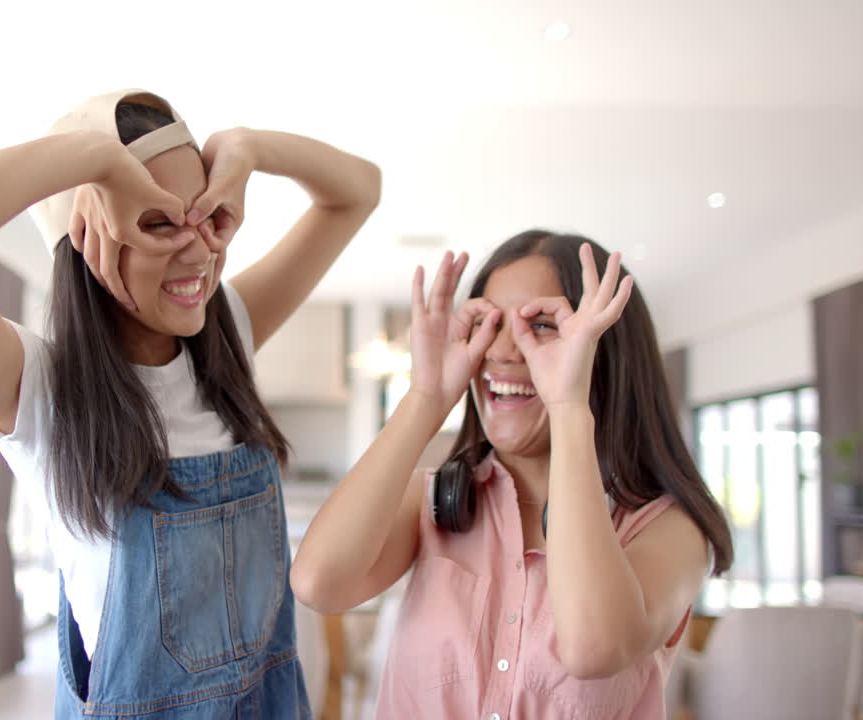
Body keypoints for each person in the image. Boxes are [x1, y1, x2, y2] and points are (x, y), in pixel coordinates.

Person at [0, 88, 380, 718]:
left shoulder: (229, 335)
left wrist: (247, 146)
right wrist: (89, 161)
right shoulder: (39, 391)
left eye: (207, 216)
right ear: (87, 237)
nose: (200, 251)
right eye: (158, 222)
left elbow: (360, 189)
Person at [291, 230, 734, 719]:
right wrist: (425, 399)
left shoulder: (669, 527)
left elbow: (594, 648)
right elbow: (318, 584)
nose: (501, 351)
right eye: (488, 324)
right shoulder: (432, 500)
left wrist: (568, 406)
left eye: (541, 325)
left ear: (602, 352)